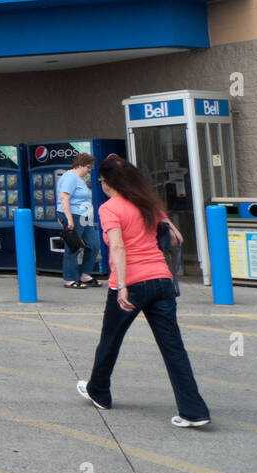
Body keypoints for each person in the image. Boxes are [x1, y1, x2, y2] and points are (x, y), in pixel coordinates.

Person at [77, 154, 210, 428]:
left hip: (132, 282)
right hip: (161, 281)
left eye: (101, 180)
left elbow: (117, 247)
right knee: (173, 347)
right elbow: (177, 238)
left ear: (109, 183)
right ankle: (194, 411)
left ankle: (99, 391)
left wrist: (122, 286)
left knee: (110, 339)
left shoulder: (110, 208)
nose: (100, 184)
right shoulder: (148, 204)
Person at [58, 152, 102, 288]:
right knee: (73, 247)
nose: (90, 170)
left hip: (84, 216)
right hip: (74, 215)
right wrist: (69, 220)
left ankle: (85, 275)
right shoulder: (70, 177)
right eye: (88, 167)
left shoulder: (79, 178)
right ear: (80, 165)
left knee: (94, 245)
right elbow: (64, 198)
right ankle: (70, 279)